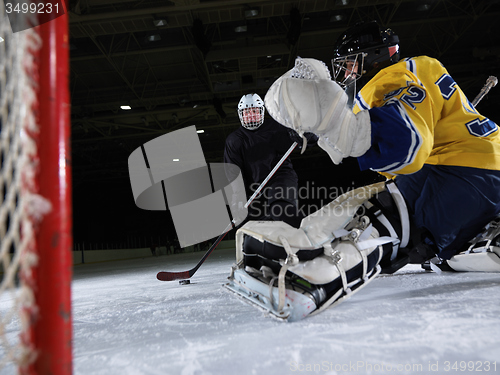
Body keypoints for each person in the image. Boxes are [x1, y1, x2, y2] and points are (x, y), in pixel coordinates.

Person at [224, 21, 500, 321]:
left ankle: (310, 280)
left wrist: (333, 124)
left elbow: (409, 145)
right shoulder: (424, 67)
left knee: (381, 215)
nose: (346, 74)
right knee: (366, 201)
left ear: (369, 57)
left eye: (348, 64)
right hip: (482, 168)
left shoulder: (389, 78)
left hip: (460, 175)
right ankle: (476, 240)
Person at [223, 93, 314, 229]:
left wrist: (307, 136)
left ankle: (306, 235)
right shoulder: (235, 140)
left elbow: (305, 139)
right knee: (252, 222)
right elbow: (233, 174)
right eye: (247, 112)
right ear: (241, 114)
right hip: (253, 187)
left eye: (254, 111)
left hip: (280, 177)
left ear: (262, 112)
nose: (251, 115)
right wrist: (238, 200)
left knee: (280, 209)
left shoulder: (278, 127)